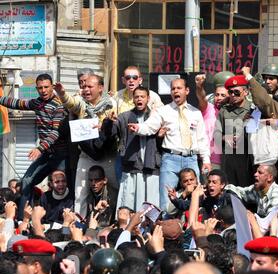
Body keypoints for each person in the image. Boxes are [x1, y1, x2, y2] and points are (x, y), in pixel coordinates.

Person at [128, 78, 210, 211]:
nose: (175, 91)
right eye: (173, 89)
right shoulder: (163, 111)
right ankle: (166, 228)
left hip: (191, 158)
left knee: (196, 196)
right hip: (170, 159)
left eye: (179, 88)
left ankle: (192, 228)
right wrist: (138, 128)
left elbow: (202, 138)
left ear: (187, 91)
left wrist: (206, 159)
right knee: (167, 198)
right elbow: (150, 127)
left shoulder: (196, 113)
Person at [0, 74, 69, 220]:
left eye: (46, 87)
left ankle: (63, 220)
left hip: (60, 155)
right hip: (46, 154)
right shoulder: (37, 103)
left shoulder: (59, 105)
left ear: (52, 87)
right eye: (40, 88)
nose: (43, 91)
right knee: (26, 182)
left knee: (62, 186)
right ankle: (23, 219)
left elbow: (55, 132)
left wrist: (39, 148)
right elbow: (17, 103)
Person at [54, 75, 119, 219]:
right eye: (84, 87)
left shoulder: (112, 104)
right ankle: (78, 224)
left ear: (100, 88)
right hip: (86, 156)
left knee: (116, 188)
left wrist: (106, 125)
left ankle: (116, 224)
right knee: (80, 192)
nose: (86, 89)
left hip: (109, 156)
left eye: (90, 87)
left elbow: (117, 124)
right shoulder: (81, 104)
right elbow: (70, 103)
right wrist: (61, 93)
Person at [103, 86, 161, 212]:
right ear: (133, 100)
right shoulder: (124, 117)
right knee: (128, 203)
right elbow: (110, 133)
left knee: (151, 204)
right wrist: (108, 122)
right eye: (136, 97)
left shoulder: (156, 116)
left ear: (148, 99)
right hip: (131, 166)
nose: (139, 99)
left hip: (151, 165)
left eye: (142, 97)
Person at [215, 75, 254, 187]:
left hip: (247, 158)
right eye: (230, 92)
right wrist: (225, 138)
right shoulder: (224, 110)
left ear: (245, 92)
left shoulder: (253, 110)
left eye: (236, 92)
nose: (233, 95)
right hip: (229, 158)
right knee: (230, 191)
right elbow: (216, 135)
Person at [195, 71, 235, 170]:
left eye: (223, 95)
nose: (219, 98)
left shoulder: (234, 112)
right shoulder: (208, 109)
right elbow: (201, 97)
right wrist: (199, 87)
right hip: (210, 160)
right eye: (217, 95)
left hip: (228, 161)